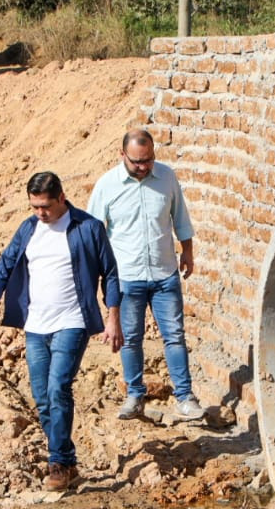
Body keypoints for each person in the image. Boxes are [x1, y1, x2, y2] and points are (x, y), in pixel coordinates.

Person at [0, 172, 122, 491]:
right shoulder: (29, 228)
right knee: (41, 396)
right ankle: (67, 461)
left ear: (61, 198)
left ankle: (57, 463)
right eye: (34, 207)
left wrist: (113, 317)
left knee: (58, 386)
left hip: (72, 320)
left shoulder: (88, 228)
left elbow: (110, 274)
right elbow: (5, 264)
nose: (40, 213)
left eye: (44, 206)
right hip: (36, 324)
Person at [87, 129, 205, 421]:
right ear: (122, 154)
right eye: (137, 162)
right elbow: (93, 231)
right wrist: (98, 273)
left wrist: (187, 251)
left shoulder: (166, 178)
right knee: (130, 338)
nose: (143, 167)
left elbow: (180, 217)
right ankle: (135, 395)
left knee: (174, 336)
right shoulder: (107, 185)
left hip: (165, 274)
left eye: (149, 160)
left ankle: (185, 397)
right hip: (127, 276)